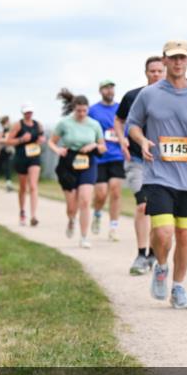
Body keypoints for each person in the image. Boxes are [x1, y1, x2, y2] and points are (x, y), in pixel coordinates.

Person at [127, 39, 187, 309]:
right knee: (164, 232)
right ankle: (161, 266)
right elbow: (132, 124)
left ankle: (178, 287)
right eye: (173, 58)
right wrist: (142, 141)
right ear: (164, 60)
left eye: (182, 58)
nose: (178, 62)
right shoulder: (149, 94)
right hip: (158, 176)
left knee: (184, 236)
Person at [115, 56, 166, 275]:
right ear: (146, 73)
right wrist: (122, 140)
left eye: (159, 71)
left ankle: (153, 253)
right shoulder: (133, 96)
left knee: (158, 209)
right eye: (152, 71)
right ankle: (141, 253)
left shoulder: (173, 97)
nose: (156, 75)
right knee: (142, 205)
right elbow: (119, 120)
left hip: (162, 162)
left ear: (165, 72)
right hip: (137, 159)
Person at [48, 89, 106, 248]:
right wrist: (58, 149)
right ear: (74, 108)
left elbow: (103, 147)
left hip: (88, 162)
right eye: (78, 110)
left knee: (85, 200)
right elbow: (51, 142)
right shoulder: (64, 123)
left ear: (88, 109)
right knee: (72, 205)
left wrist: (94, 145)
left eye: (84, 111)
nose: (81, 114)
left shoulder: (94, 124)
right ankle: (71, 219)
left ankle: (84, 237)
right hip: (68, 162)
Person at [88, 79, 125, 241]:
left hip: (117, 155)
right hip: (100, 157)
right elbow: (86, 129)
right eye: (106, 88)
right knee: (101, 194)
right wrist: (95, 144)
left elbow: (128, 126)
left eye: (111, 88)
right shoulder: (93, 110)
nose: (109, 91)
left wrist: (125, 139)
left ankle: (113, 227)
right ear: (100, 91)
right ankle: (97, 214)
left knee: (116, 191)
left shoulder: (121, 108)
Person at [5, 103, 45, 226]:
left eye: (30, 112)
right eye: (26, 112)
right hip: (21, 157)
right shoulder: (18, 125)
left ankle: (33, 216)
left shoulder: (38, 124)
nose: (29, 114)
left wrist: (41, 140)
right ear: (23, 113)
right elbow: (8, 141)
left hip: (34, 157)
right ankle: (22, 212)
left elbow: (41, 137)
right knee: (23, 187)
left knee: (33, 185)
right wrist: (21, 139)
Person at [0, 115, 14, 192]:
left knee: (8, 167)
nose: (8, 123)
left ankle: (8, 184)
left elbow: (10, 139)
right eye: (7, 121)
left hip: (8, 151)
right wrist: (5, 140)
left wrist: (6, 140)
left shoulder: (10, 130)